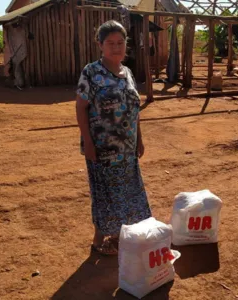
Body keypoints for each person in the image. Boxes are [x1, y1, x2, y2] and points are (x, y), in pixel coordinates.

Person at [76, 20, 152, 255]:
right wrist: (88, 142)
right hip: (102, 149)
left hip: (127, 148)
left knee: (128, 193)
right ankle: (99, 242)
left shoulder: (127, 72)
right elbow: (81, 108)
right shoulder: (92, 72)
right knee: (105, 194)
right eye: (110, 43)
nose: (116, 47)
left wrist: (139, 139)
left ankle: (120, 238)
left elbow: (134, 108)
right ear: (100, 45)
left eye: (120, 42)